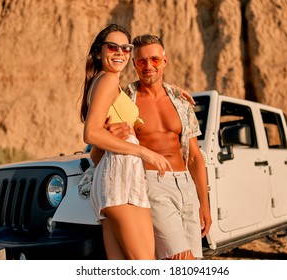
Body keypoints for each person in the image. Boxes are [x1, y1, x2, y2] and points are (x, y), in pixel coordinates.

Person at [92, 34, 212, 260]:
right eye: (141, 61)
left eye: (155, 60)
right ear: (134, 63)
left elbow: (195, 157)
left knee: (193, 261)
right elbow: (97, 142)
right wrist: (109, 133)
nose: (148, 66)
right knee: (180, 258)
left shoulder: (181, 101)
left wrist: (204, 203)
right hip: (152, 182)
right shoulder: (124, 99)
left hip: (185, 184)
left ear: (164, 61)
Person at [80, 24, 173, 260]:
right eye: (113, 47)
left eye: (126, 47)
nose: (120, 52)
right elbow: (90, 134)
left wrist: (175, 91)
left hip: (113, 179)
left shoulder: (102, 82)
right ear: (99, 52)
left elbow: (95, 153)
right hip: (121, 180)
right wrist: (145, 152)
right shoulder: (108, 80)